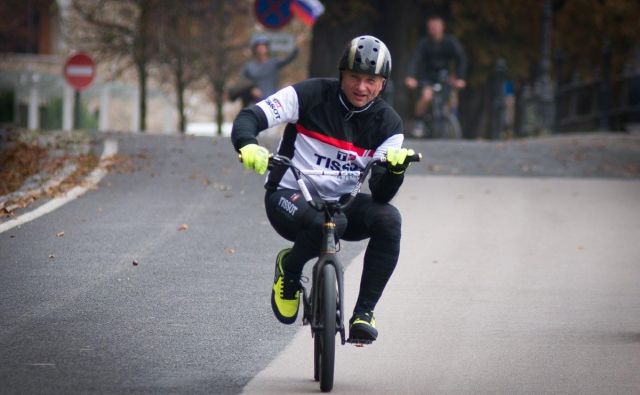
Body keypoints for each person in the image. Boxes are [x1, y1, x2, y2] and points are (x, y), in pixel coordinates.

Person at [231, 35, 416, 343]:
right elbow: (251, 116)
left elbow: (381, 193)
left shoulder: (389, 124)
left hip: (341, 204)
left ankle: (363, 313)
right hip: (289, 194)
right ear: (341, 73)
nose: (361, 87)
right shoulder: (309, 94)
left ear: (382, 83)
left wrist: (395, 171)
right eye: (355, 77)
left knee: (389, 219)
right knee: (330, 223)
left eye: (371, 80)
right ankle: (289, 269)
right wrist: (248, 145)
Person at [405, 15, 467, 132]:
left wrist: (460, 77)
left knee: (451, 99)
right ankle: (419, 121)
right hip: (428, 78)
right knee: (426, 96)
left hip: (445, 78)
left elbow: (461, 58)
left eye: (436, 26)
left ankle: (450, 122)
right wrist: (411, 76)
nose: (433, 29)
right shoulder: (424, 43)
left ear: (442, 27)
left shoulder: (450, 42)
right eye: (431, 27)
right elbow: (415, 60)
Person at [241, 34, 305, 105]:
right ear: (255, 49)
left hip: (271, 102)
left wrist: (297, 46)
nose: (261, 49)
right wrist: (251, 89)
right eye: (259, 47)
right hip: (254, 103)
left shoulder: (273, 63)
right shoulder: (249, 67)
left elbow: (288, 59)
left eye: (263, 46)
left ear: (267, 49)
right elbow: (242, 82)